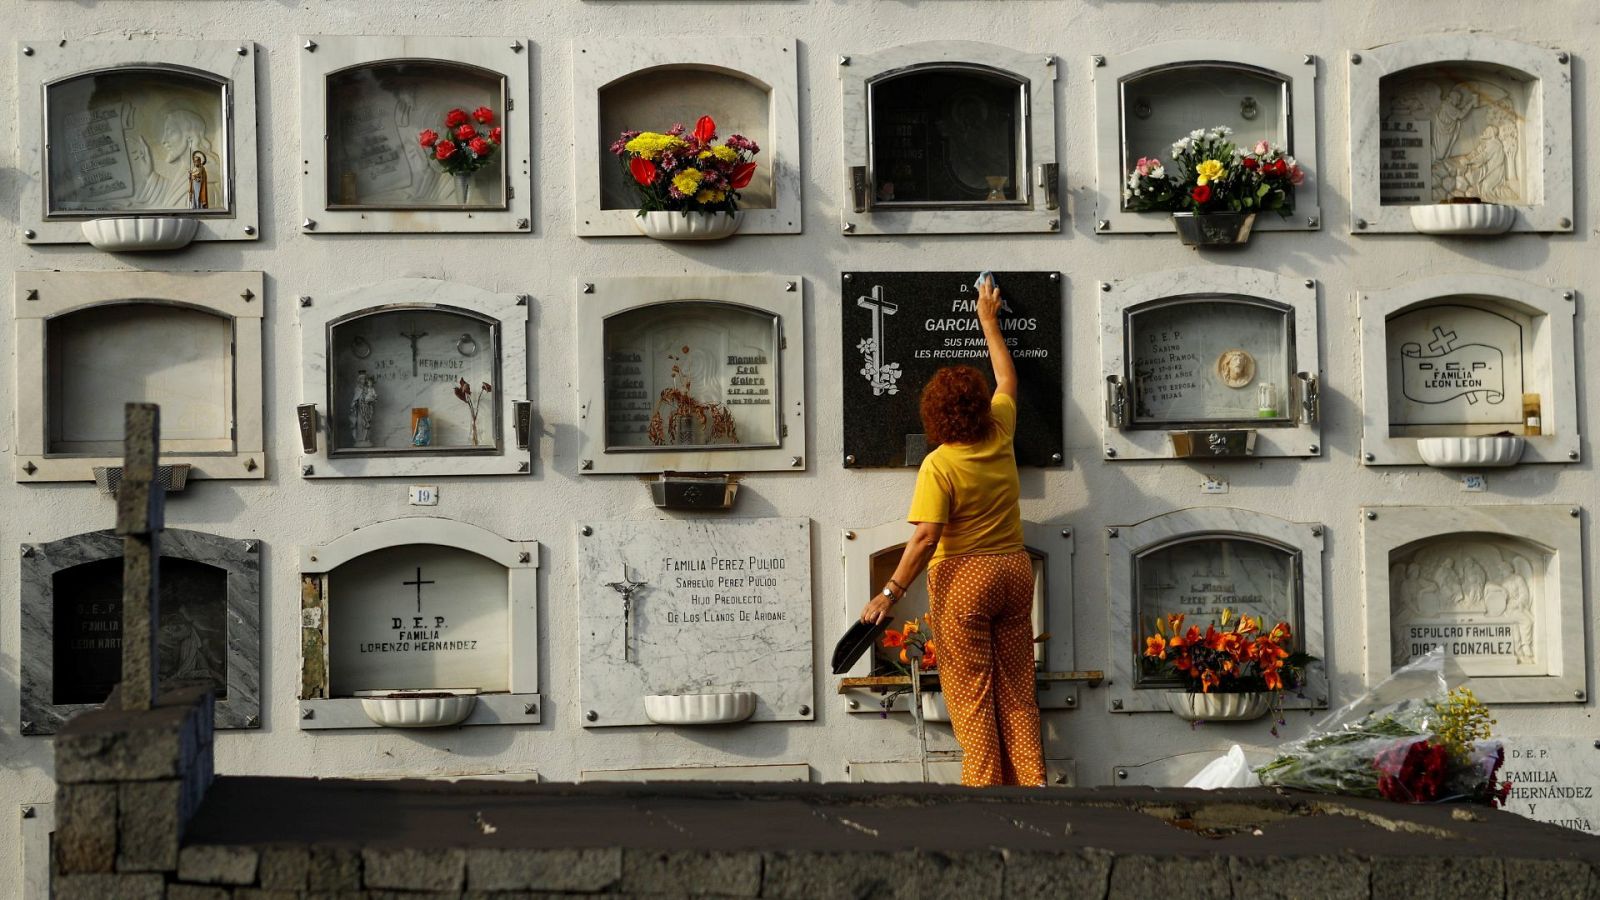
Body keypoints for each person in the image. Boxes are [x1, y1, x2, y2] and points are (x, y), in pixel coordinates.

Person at [858, 275, 1042, 787]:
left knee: (972, 697)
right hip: (1014, 570)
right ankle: (1034, 789)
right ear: (979, 406)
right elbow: (1006, 378)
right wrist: (987, 320)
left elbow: (924, 538)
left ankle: (984, 797)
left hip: (965, 581)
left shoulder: (939, 465)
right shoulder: (1000, 429)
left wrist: (889, 594)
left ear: (934, 416)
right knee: (1018, 691)